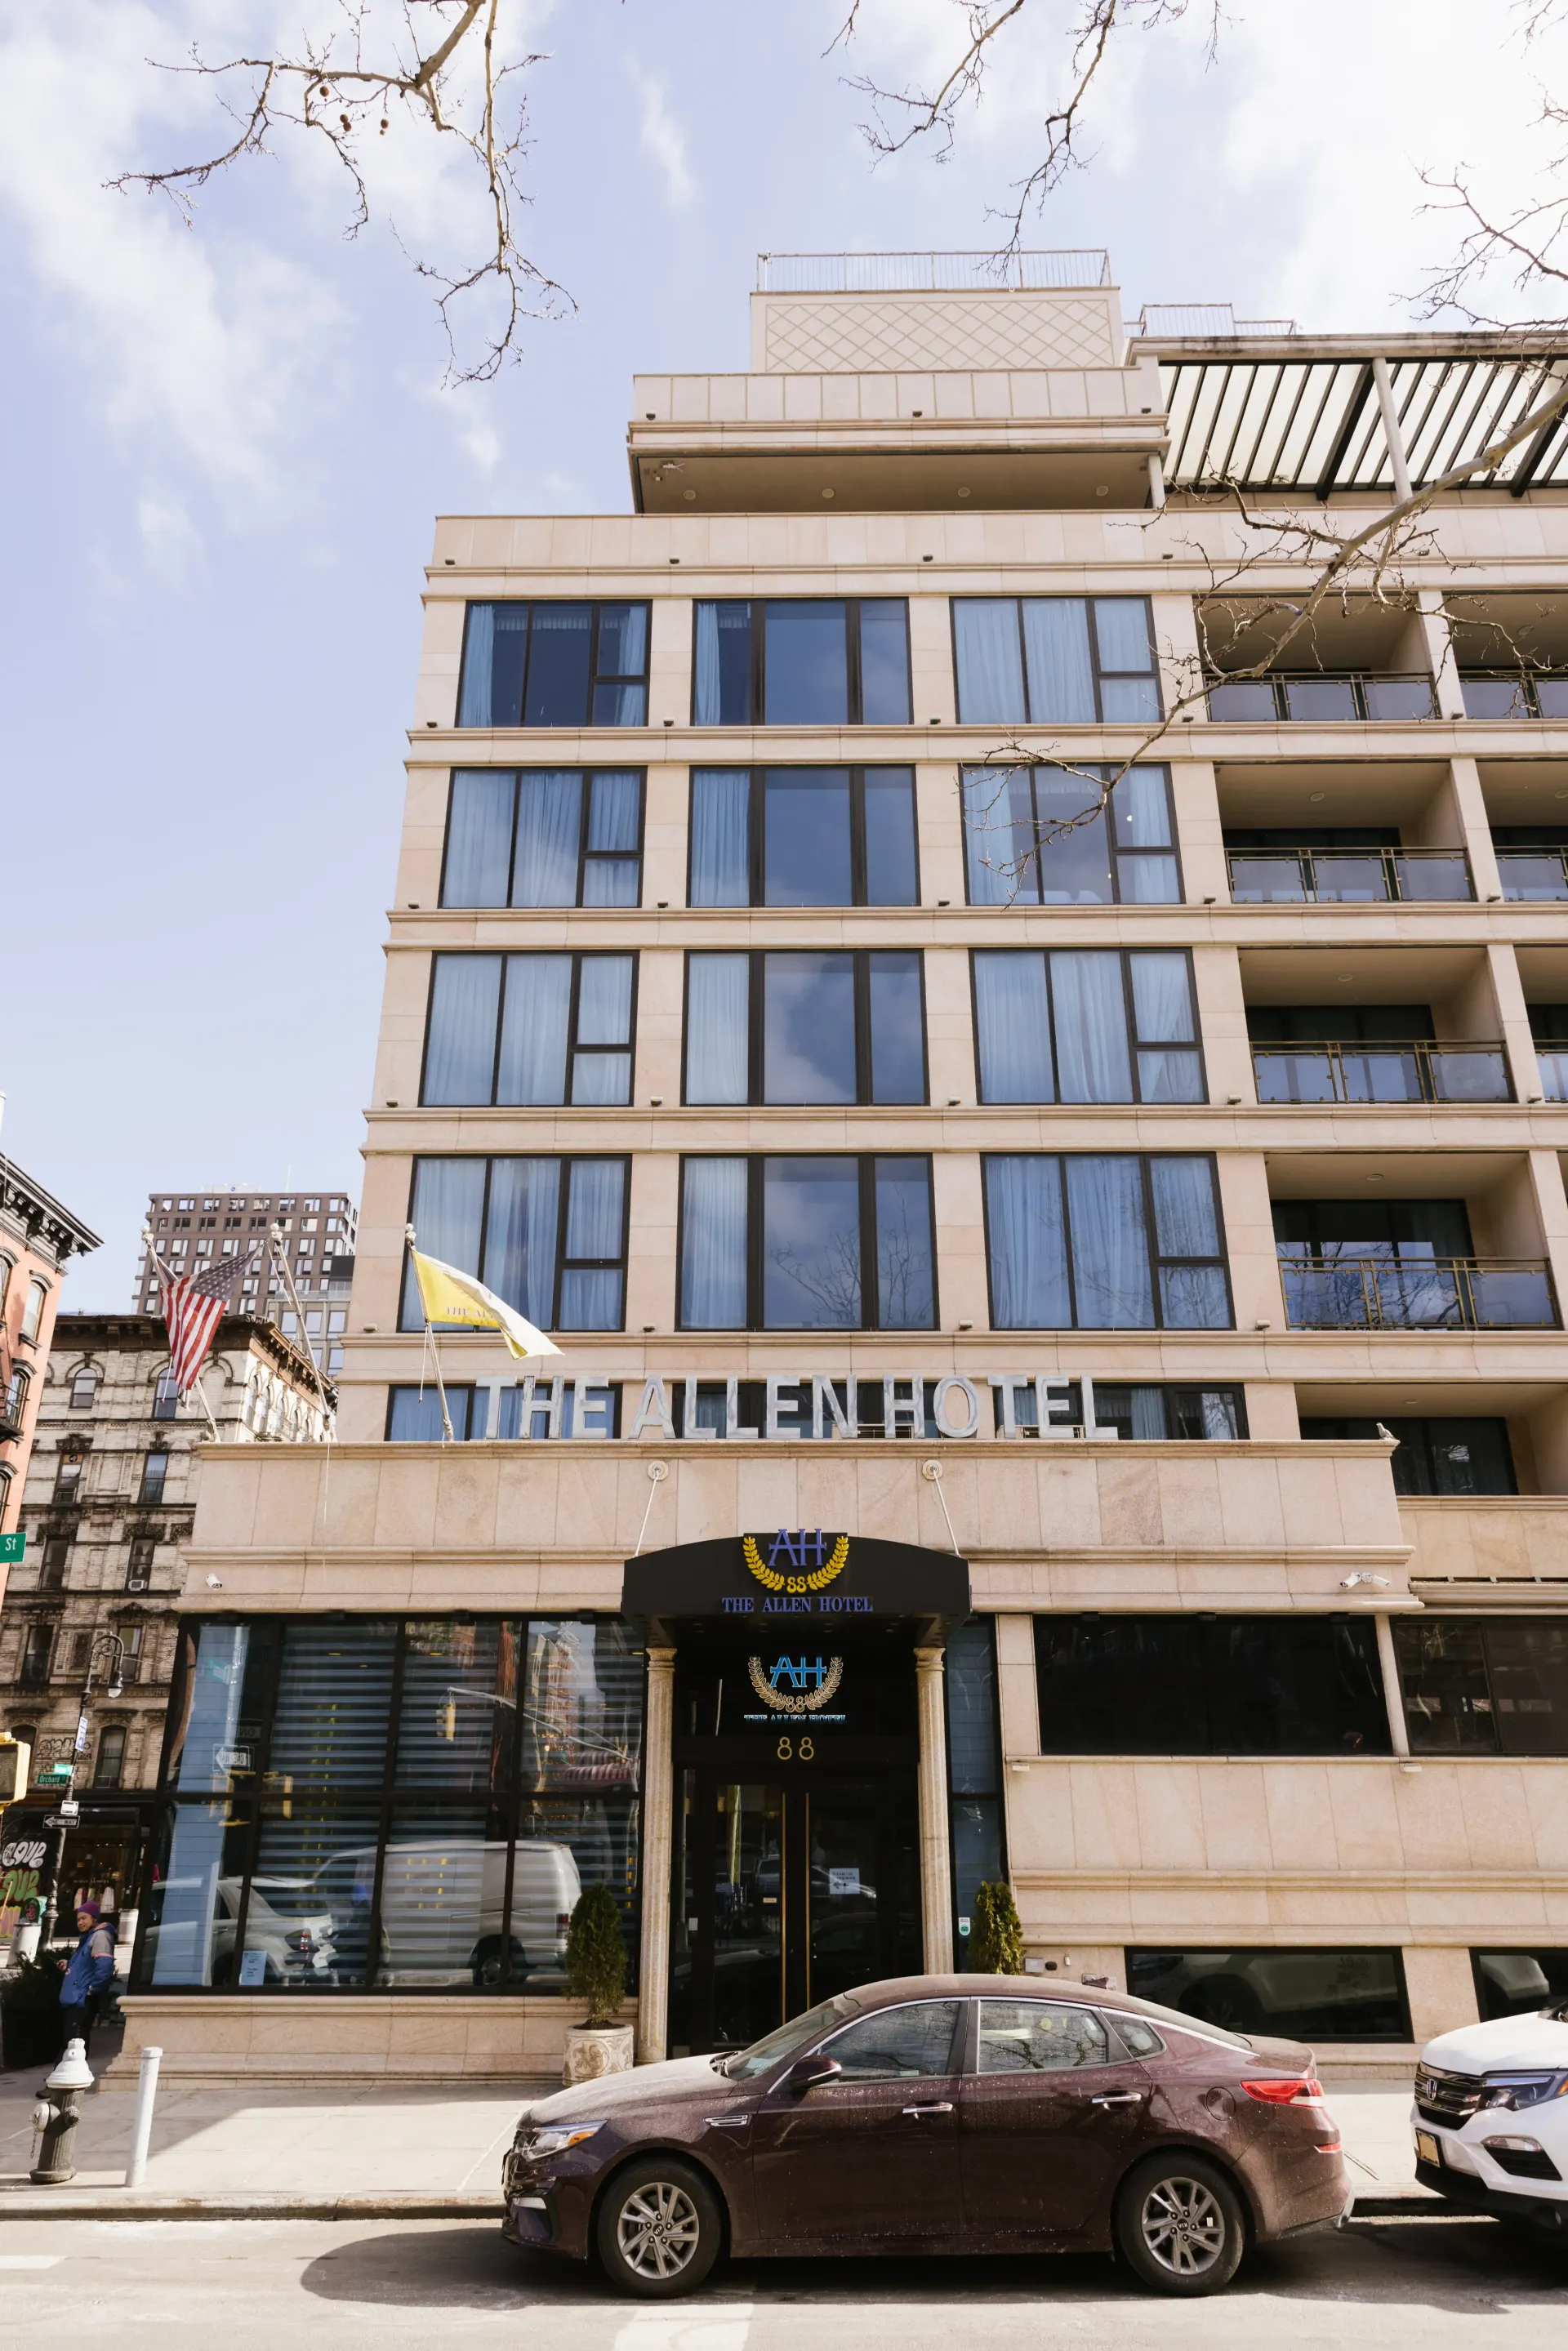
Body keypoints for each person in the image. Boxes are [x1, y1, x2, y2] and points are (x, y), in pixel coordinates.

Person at [59, 1900, 117, 2048]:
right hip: (77, 1997)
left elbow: (104, 1966)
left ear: (94, 1919)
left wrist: (92, 1990)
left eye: (84, 1918)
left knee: (74, 2045)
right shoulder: (89, 1936)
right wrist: (68, 1964)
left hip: (82, 1998)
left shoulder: (100, 1936)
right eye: (78, 1919)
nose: (80, 1922)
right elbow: (86, 1962)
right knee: (71, 2043)